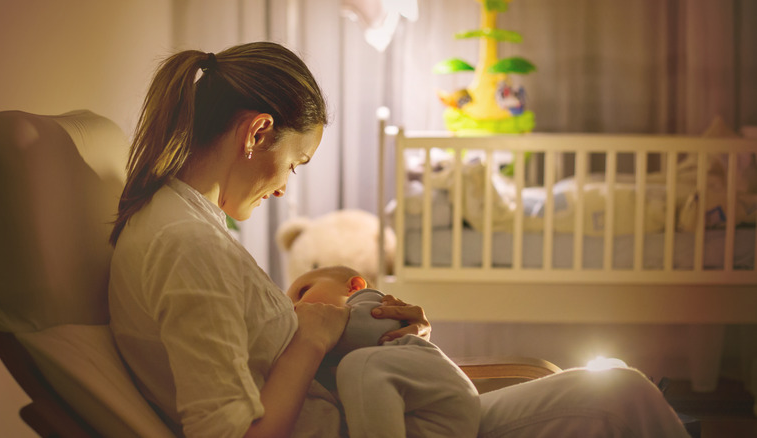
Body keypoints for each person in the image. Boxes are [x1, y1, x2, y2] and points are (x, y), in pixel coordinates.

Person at [108, 41, 691, 438]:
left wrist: (382, 337)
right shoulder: (186, 245)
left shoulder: (185, 225)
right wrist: (313, 338)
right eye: (297, 164)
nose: (286, 188)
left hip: (382, 408)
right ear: (259, 131)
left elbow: (250, 352)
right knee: (623, 397)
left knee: (621, 392)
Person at [286, 266, 480, 438]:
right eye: (289, 305)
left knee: (360, 364)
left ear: (353, 287)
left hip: (441, 400)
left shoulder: (373, 305)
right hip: (409, 421)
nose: (295, 306)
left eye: (302, 292)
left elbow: (366, 332)